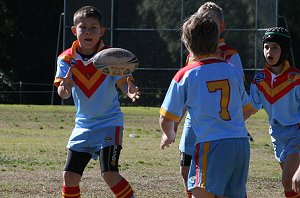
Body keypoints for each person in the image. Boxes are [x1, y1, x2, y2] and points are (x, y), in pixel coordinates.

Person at [159, 14, 254, 198]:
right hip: (240, 144)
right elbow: (248, 109)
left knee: (201, 194)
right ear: (217, 40)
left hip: (211, 145)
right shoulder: (231, 70)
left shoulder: (185, 74)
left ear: (187, 43)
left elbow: (165, 117)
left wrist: (169, 134)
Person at [54, 6, 140, 198]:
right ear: (74, 31)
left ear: (101, 31)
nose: (88, 32)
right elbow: (63, 94)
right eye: (83, 27)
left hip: (110, 123)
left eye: (93, 28)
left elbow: (123, 82)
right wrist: (65, 86)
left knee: (109, 174)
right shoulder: (66, 59)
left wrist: (130, 91)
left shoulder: (111, 56)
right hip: (83, 125)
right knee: (70, 176)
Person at [250, 27, 300, 198]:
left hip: (296, 131)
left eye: (275, 47)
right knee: (293, 184)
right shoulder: (259, 79)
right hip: (276, 134)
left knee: (288, 180)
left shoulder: (296, 78)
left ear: (284, 50)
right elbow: (251, 107)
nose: (269, 51)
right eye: (266, 47)